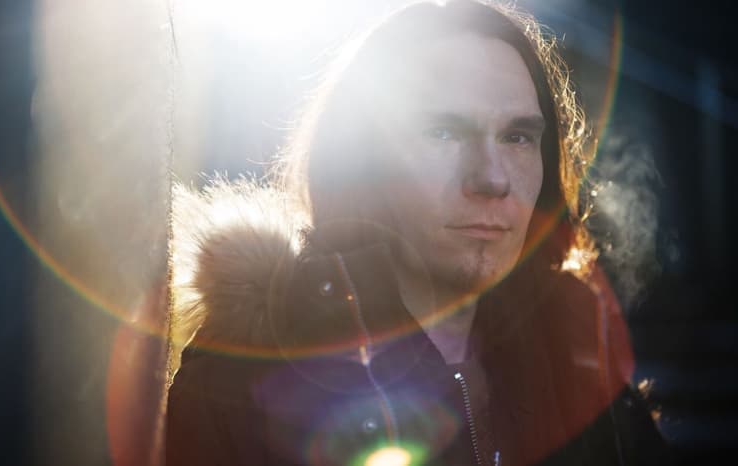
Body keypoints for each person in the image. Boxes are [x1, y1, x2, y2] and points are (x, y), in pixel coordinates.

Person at [166, 1, 672, 464]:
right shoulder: (243, 380)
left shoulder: (578, 355)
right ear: (362, 157)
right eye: (443, 132)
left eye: (517, 137)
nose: (493, 178)